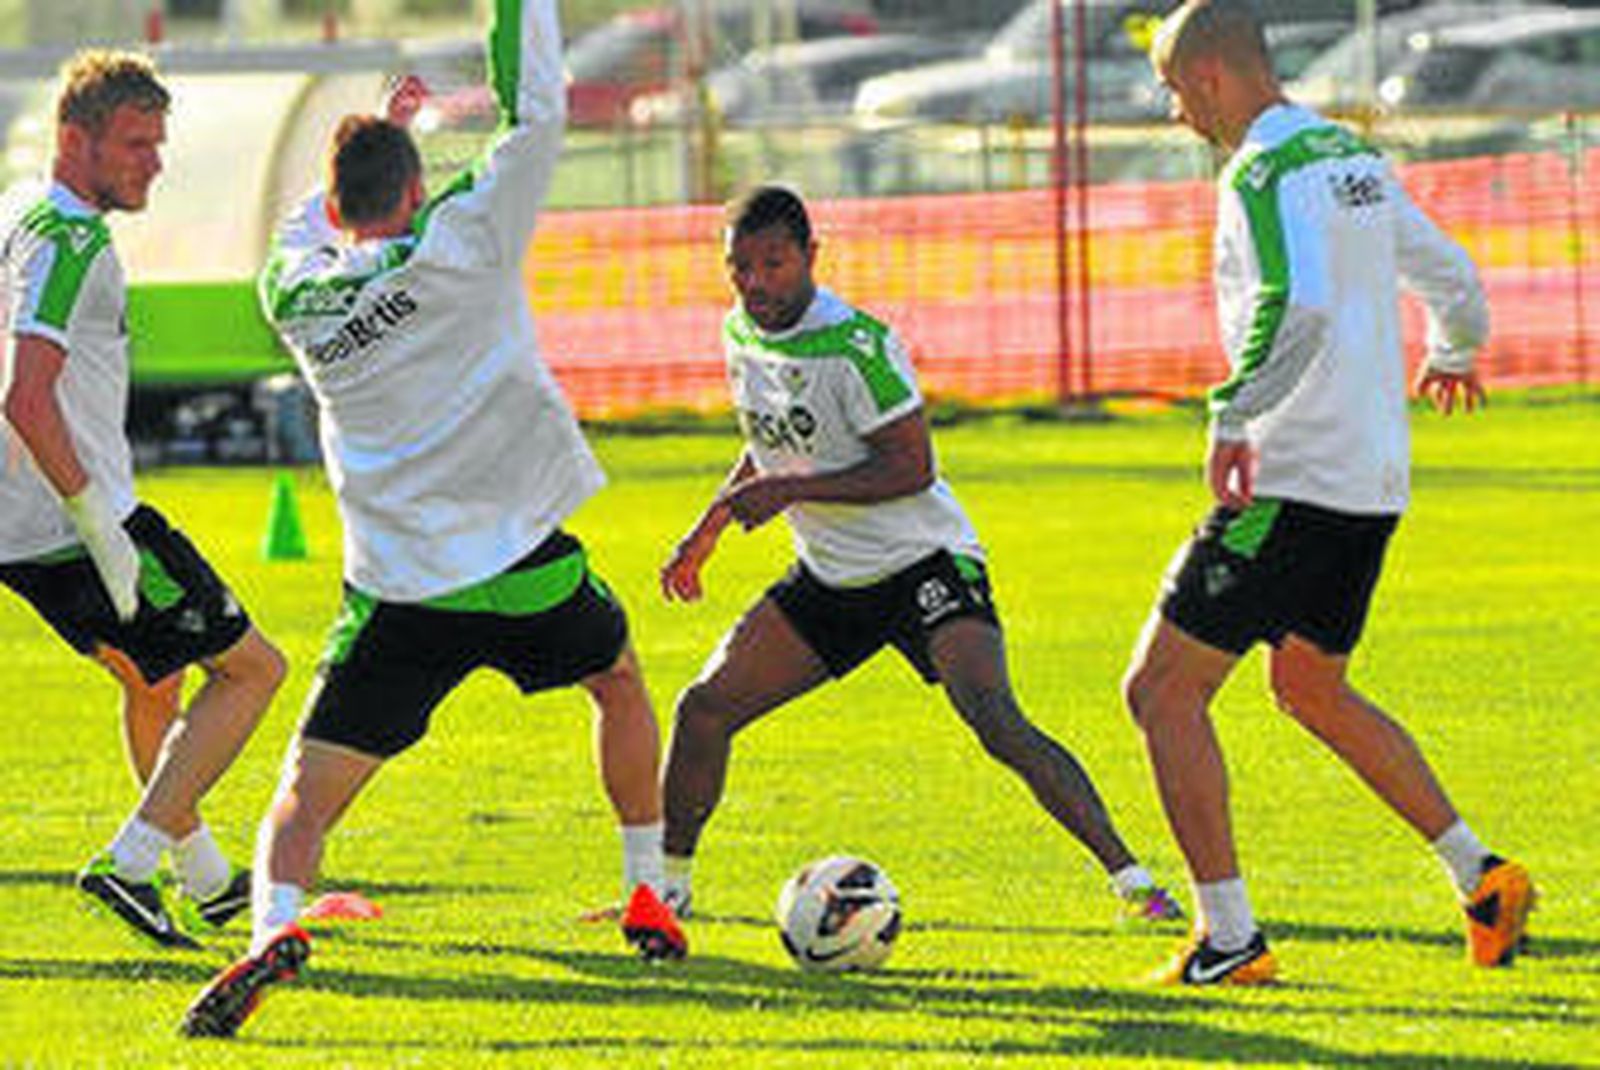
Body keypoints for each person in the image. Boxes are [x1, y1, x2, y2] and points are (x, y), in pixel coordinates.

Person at [181, 0, 683, 1039]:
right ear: (416, 190)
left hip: (399, 586)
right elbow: (531, 116)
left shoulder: (296, 293)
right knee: (618, 675)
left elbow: (305, 225)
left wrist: (375, 126)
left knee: (303, 799)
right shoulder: (466, 242)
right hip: (520, 561)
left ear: (337, 200)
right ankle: (650, 888)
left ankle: (273, 926)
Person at [1125, 0, 1533, 986]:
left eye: (1177, 92)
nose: (1178, 113)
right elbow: (1451, 273)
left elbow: (1293, 301)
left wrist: (1232, 413)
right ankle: (1480, 874)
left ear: (1214, 78)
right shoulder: (1350, 158)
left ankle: (1229, 936)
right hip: (1369, 480)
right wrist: (1454, 348)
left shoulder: (1259, 171)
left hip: (1289, 474)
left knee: (1160, 691)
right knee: (1309, 685)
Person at [657, 184, 1183, 927]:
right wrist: (710, 524)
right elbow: (772, 437)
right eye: (738, 266)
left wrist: (787, 492)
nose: (754, 282)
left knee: (993, 717)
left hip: (925, 562)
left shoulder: (859, 345)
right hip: (832, 578)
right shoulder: (740, 332)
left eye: (773, 263)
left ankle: (1134, 883)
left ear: (811, 255)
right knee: (703, 710)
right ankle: (667, 893)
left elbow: (911, 468)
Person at [0, 51, 286, 949]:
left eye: (158, 144)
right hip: (76, 520)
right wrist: (102, 528)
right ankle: (128, 863)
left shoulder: (20, 212)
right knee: (253, 672)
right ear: (74, 138)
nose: (153, 163)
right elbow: (26, 394)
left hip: (19, 524)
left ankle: (206, 880)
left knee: (152, 679)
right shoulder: (72, 239)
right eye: (135, 144)